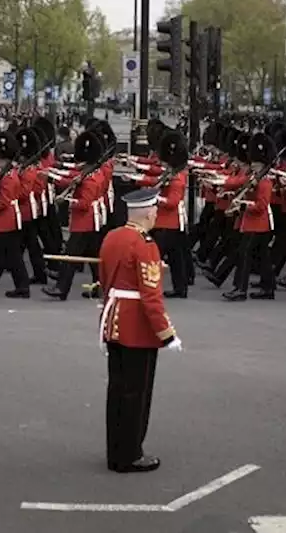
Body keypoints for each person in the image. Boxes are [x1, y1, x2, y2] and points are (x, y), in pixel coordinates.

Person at [98, 186, 181, 474]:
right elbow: (151, 296)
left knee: (117, 390)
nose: (157, 214)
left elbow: (107, 278)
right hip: (137, 327)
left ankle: (115, 452)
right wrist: (166, 333)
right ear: (147, 212)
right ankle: (131, 454)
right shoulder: (146, 244)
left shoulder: (112, 237)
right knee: (136, 393)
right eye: (155, 210)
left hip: (114, 320)